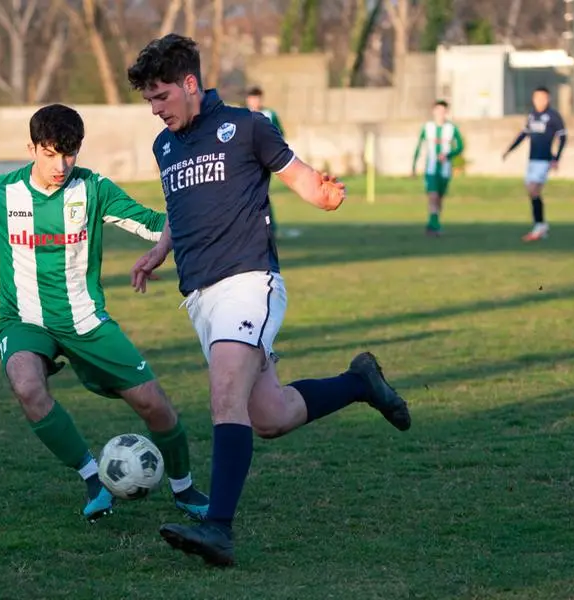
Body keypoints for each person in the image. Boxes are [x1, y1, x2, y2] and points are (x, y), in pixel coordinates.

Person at [126, 34, 411, 567]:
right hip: (201, 297)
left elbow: (297, 174)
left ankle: (219, 529)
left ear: (190, 84)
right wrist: (158, 250)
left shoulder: (247, 126)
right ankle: (360, 382)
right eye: (149, 101)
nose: (156, 109)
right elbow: (180, 208)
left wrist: (322, 194)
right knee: (269, 416)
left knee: (223, 396)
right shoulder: (164, 146)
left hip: (249, 281)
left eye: (161, 96)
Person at [0, 103, 209, 524]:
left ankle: (184, 489)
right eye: (51, 153)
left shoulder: (93, 189)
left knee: (155, 405)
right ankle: (94, 481)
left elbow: (152, 222)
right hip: (24, 319)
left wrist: (200, 226)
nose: (61, 164)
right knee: (26, 386)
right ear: (32, 147)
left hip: (86, 320)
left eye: (70, 154)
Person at [502, 86, 568, 242]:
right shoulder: (532, 116)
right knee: (532, 191)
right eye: (536, 98)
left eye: (542, 98)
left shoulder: (553, 116)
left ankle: (539, 225)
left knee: (533, 188)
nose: (539, 101)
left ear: (548, 99)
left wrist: (556, 158)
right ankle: (541, 225)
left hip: (545, 159)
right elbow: (524, 134)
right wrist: (509, 150)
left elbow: (563, 138)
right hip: (532, 159)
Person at [245, 86, 300, 239]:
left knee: (261, 192)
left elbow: (279, 134)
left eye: (257, 98)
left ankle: (269, 227)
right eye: (252, 98)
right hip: (246, 161)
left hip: (263, 161)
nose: (255, 101)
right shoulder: (242, 115)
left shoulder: (269, 114)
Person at [411, 100, 465, 237]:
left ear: (446, 112)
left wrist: (448, 155)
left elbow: (460, 146)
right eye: (438, 110)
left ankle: (432, 224)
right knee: (433, 196)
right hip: (431, 169)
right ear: (433, 111)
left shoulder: (451, 129)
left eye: (443, 111)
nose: (440, 114)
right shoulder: (427, 127)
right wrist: (413, 166)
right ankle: (435, 227)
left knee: (439, 199)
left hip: (445, 170)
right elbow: (419, 146)